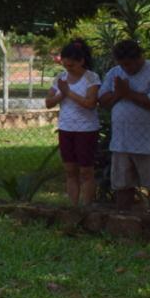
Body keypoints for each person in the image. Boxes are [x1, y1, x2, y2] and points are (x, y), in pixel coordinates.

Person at [99, 39, 150, 210]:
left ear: (139, 58)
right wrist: (119, 94)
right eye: (122, 65)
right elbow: (103, 100)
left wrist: (127, 93)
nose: (126, 69)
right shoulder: (114, 73)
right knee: (122, 185)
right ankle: (124, 220)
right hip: (122, 142)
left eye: (129, 64)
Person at [45, 39, 100, 205]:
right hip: (66, 128)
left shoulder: (91, 78)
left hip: (86, 130)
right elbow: (48, 102)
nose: (68, 69)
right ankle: (73, 206)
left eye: (72, 65)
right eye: (65, 65)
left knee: (86, 171)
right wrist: (61, 94)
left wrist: (68, 92)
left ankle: (86, 206)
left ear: (81, 61)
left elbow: (90, 104)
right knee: (70, 170)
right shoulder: (61, 78)